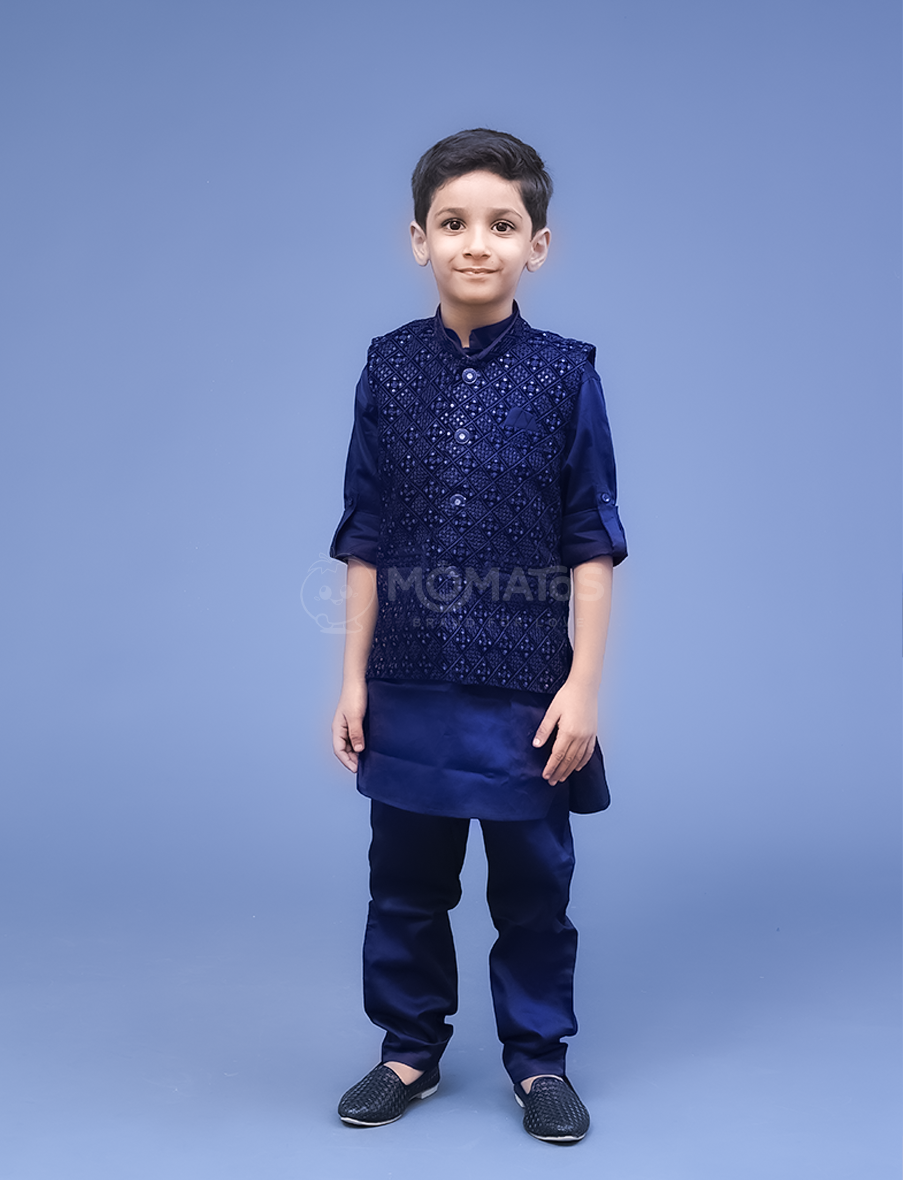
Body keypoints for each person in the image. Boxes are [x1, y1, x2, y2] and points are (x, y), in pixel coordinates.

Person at [328, 128, 627, 1144]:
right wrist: (352, 681)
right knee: (404, 885)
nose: (475, 243)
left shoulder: (564, 375)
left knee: (534, 888)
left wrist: (583, 687)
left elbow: (592, 542)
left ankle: (539, 1062)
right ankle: (407, 1050)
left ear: (536, 246)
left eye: (502, 225)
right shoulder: (388, 368)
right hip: (407, 680)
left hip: (527, 688)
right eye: (453, 222)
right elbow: (364, 534)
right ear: (418, 238)